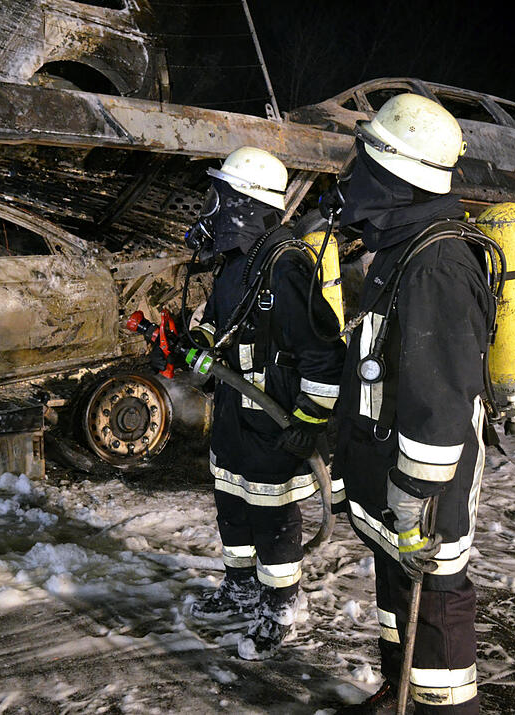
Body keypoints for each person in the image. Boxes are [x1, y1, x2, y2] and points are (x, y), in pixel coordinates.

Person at [332, 94, 495, 713]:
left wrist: (415, 494)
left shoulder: (438, 263)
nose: (354, 176)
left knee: (436, 600)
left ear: (398, 175)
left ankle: (445, 708)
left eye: (368, 160)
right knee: (398, 589)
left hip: (425, 484)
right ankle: (400, 693)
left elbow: (441, 399)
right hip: (389, 470)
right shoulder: (402, 249)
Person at [179, 146, 346, 660]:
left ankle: (279, 605)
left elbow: (324, 354)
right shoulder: (237, 261)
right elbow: (218, 317)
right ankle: (241, 588)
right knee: (231, 500)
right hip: (235, 409)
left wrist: (310, 419)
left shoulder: (285, 265)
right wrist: (201, 342)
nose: (211, 206)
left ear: (244, 204)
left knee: (273, 515)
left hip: (276, 419)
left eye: (220, 195)